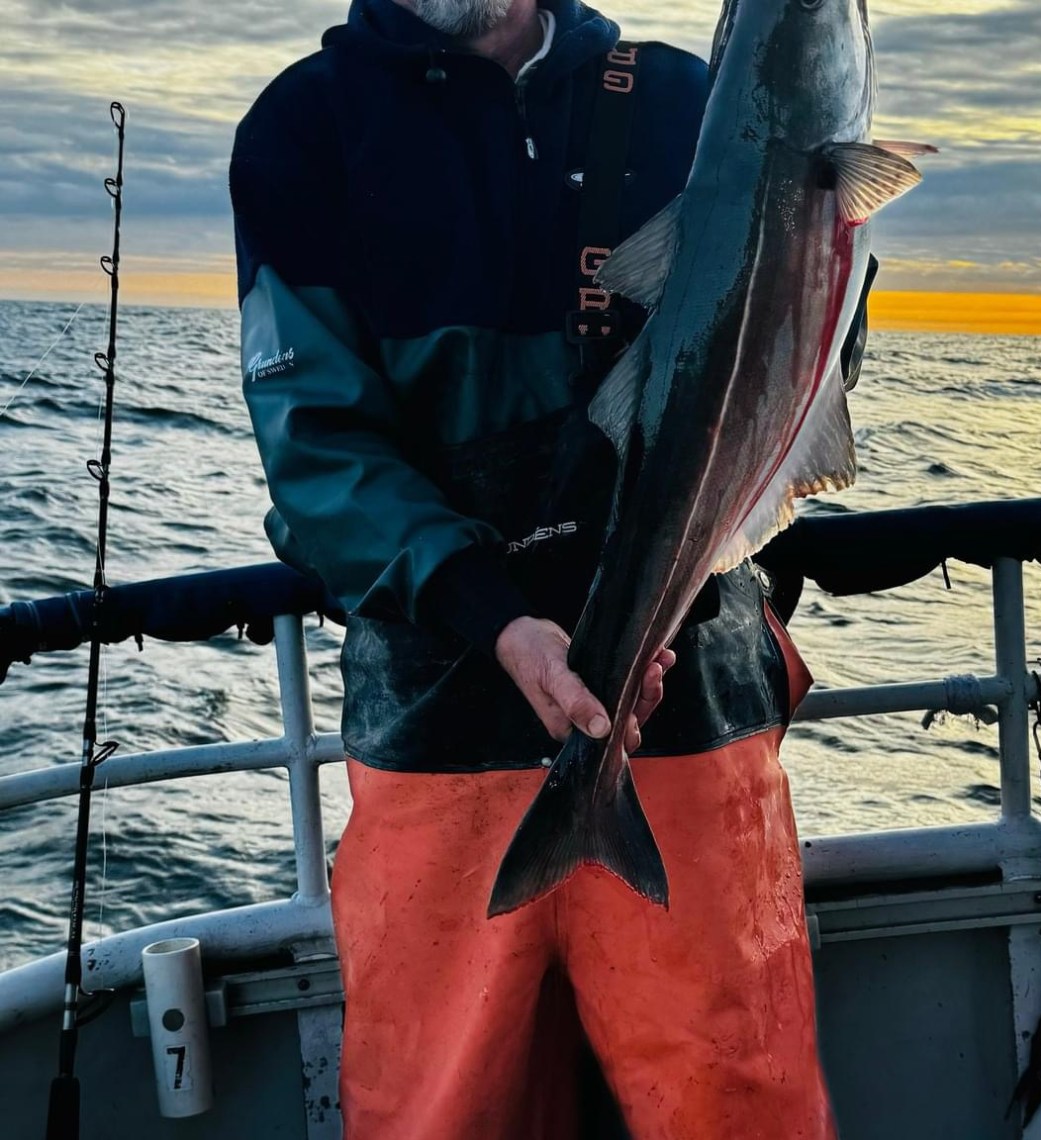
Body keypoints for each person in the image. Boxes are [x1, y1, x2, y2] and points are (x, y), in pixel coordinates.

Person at [231, 1, 847, 1136]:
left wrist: (833, 257)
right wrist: (498, 617)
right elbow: (318, 448)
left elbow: (810, 364)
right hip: (442, 732)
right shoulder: (304, 130)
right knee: (443, 1116)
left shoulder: (690, 101)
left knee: (735, 1105)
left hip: (688, 712)